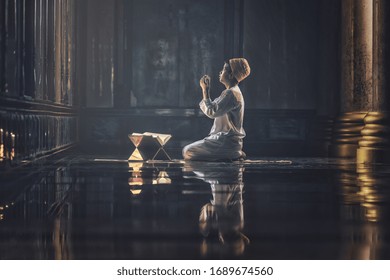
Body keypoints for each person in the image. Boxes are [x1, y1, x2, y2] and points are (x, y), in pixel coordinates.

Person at [182, 58, 250, 161]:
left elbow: (212, 112)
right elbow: (214, 106)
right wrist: (205, 90)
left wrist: (205, 91)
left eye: (224, 70)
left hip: (225, 142)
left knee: (187, 151)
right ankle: (234, 152)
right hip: (227, 141)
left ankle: (231, 154)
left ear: (231, 75)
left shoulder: (231, 93)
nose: (220, 72)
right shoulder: (231, 92)